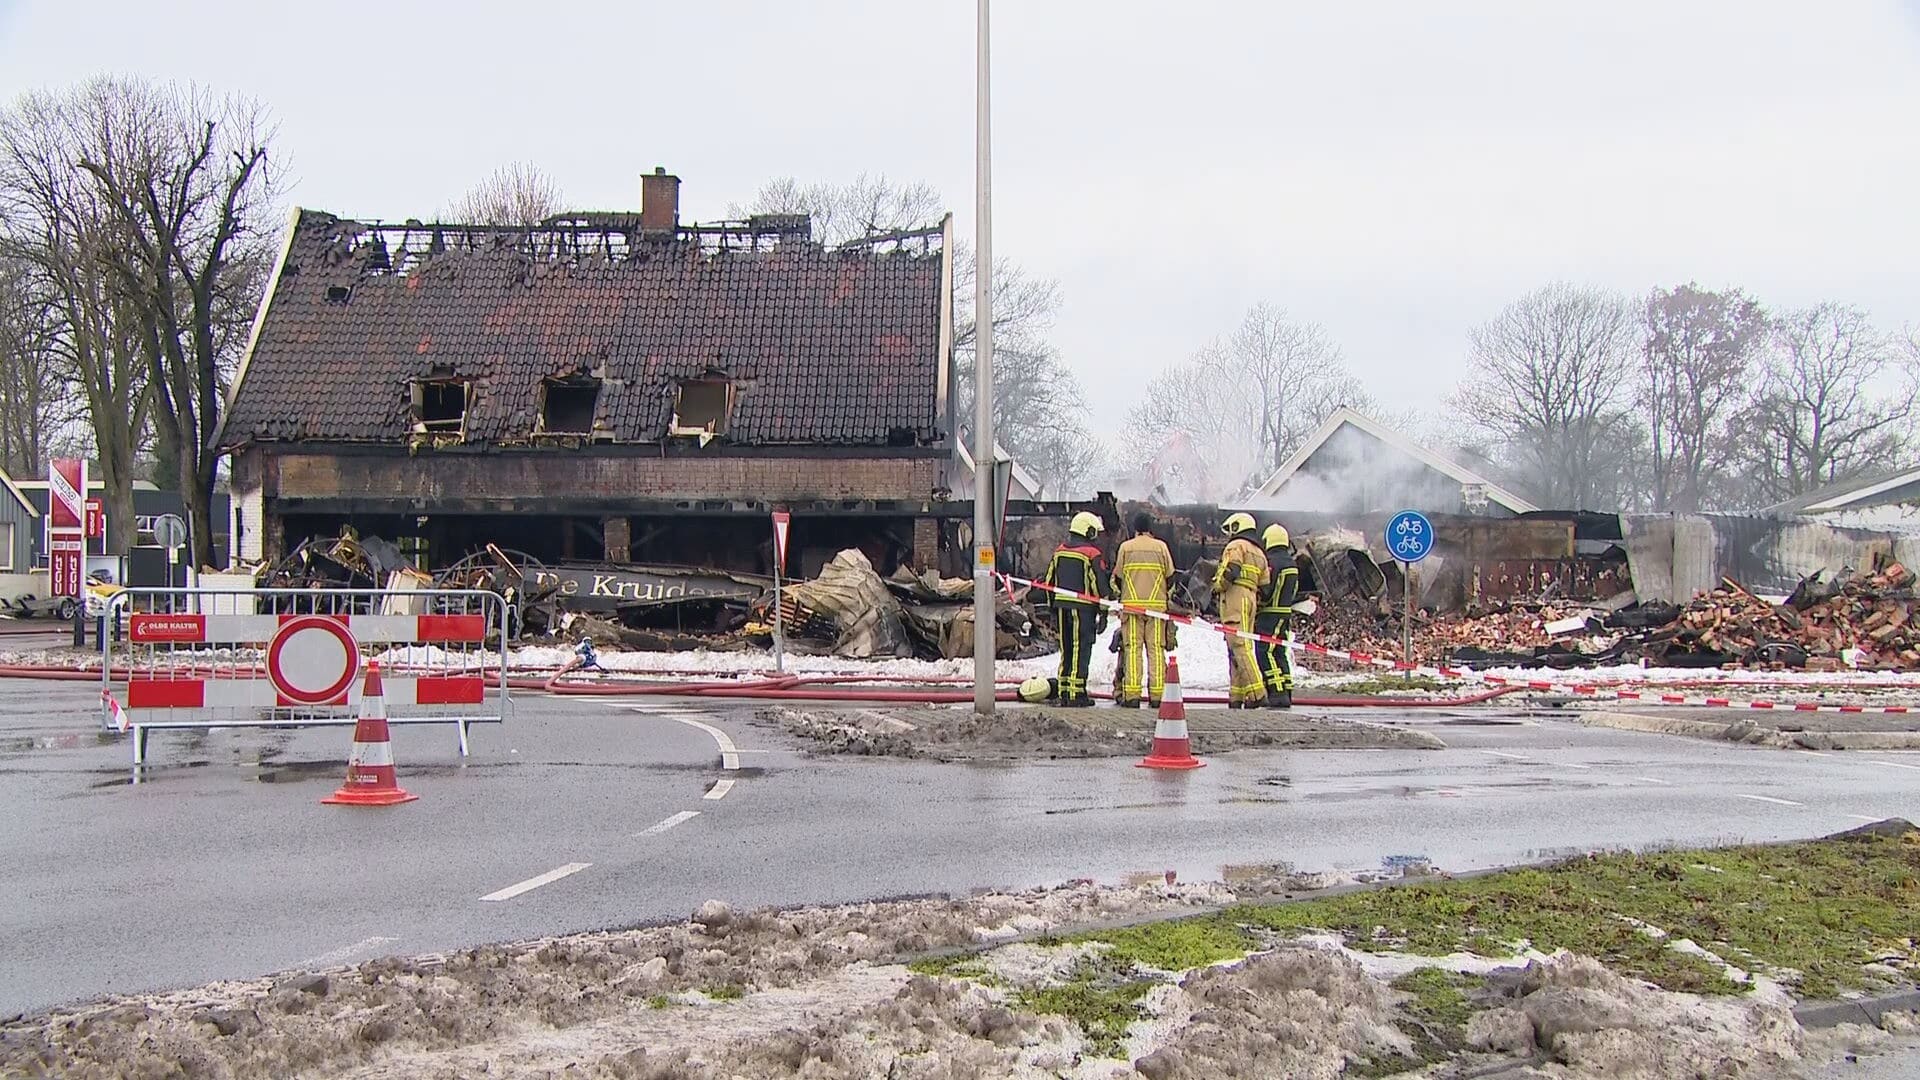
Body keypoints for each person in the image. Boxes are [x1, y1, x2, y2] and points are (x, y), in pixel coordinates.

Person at [1042, 511, 1110, 707]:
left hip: (1062, 608)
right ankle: (1076, 694)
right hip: (1083, 610)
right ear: (1087, 530)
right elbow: (1099, 585)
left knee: (1066, 649)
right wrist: (1103, 613)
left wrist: (1052, 608)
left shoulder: (1060, 551)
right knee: (1081, 649)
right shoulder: (1092, 554)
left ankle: (1064, 691)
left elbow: (1048, 582)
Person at [1113, 512, 1176, 708]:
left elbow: (1117, 578)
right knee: (1156, 650)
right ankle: (1157, 697)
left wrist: (1120, 596)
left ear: (1135, 528)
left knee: (1133, 650)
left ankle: (1132, 695)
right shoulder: (1161, 547)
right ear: (1150, 528)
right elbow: (1171, 577)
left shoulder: (1126, 547)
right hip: (1156, 610)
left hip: (1131, 608)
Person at [1211, 512, 1270, 708]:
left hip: (1235, 597)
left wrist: (1217, 586)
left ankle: (1256, 693)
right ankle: (1237, 695)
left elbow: (1232, 570)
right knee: (1239, 647)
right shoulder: (1259, 552)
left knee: (1238, 646)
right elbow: (1266, 585)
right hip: (1251, 598)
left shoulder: (1236, 546)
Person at [1257, 523, 1300, 709]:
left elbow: (1268, 589)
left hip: (1270, 614)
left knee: (1265, 651)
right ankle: (1287, 690)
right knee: (1279, 651)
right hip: (1285, 612)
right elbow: (1295, 590)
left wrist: (1259, 602)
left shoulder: (1272, 563)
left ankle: (1277, 691)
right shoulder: (1292, 563)